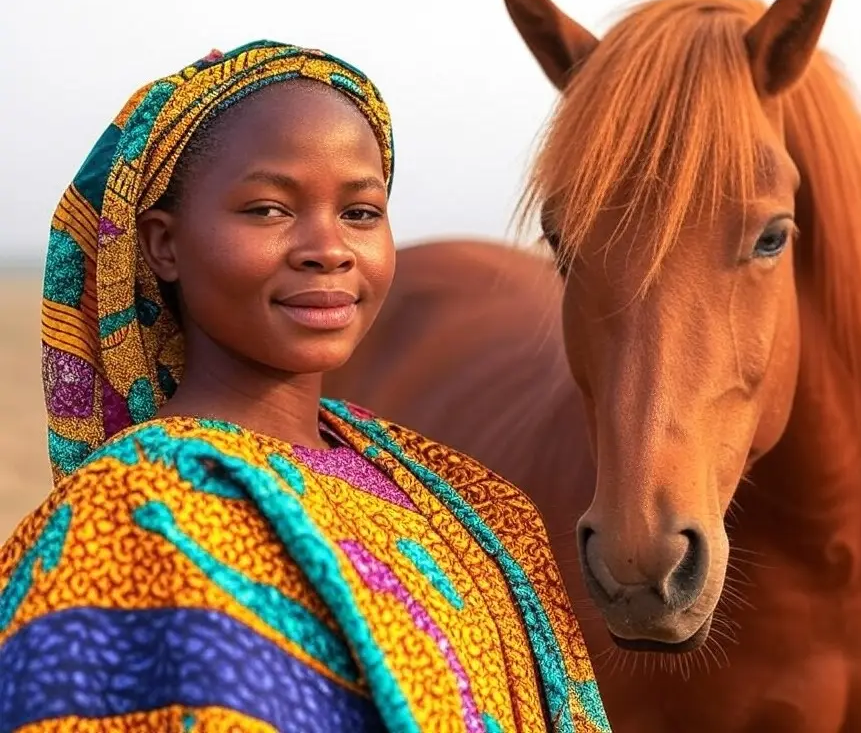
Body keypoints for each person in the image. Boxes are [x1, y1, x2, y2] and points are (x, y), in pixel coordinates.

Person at [0, 40, 609, 733]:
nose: (329, 247)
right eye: (268, 209)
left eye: (360, 212)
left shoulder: (475, 503)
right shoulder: (127, 517)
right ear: (164, 245)